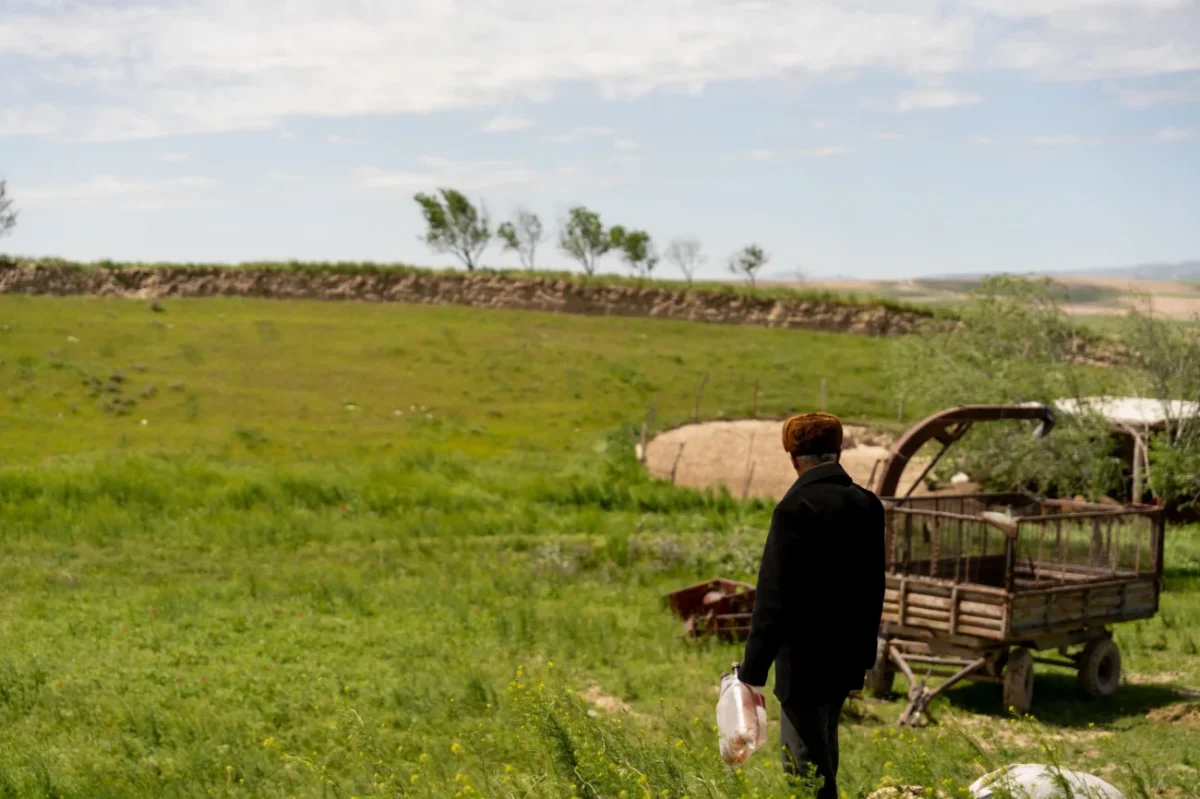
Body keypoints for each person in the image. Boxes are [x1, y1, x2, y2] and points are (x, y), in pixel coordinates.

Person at [732, 412, 885, 799]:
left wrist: (752, 671)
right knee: (824, 753)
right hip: (846, 658)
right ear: (837, 450)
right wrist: (864, 658)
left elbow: (773, 600)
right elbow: (873, 588)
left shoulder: (794, 509)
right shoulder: (867, 505)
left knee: (805, 770)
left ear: (793, 457)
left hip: (804, 663)